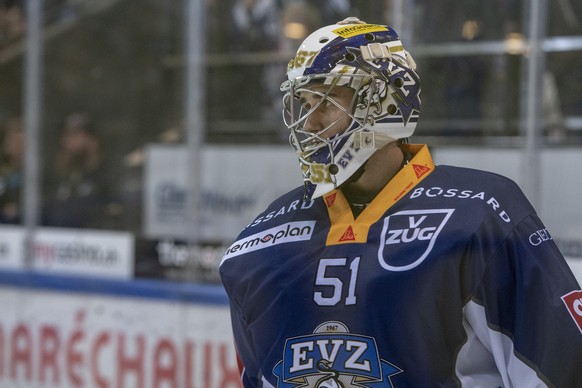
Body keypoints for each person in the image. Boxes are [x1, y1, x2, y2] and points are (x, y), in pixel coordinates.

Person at [219, 17, 582, 387]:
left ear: (383, 96)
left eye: (326, 101)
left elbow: (561, 367)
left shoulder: (481, 215)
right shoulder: (256, 248)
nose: (310, 124)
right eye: (306, 104)